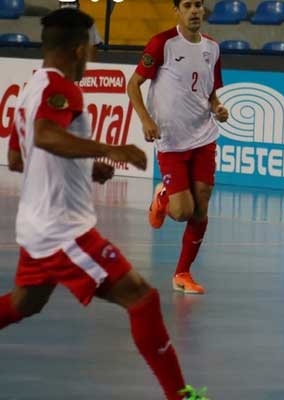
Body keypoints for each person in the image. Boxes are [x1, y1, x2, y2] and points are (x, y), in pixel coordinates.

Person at [0, 8, 206, 400]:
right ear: (79, 50)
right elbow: (44, 136)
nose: (91, 57)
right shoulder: (61, 88)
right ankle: (181, 396)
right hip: (62, 229)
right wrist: (111, 149)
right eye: (92, 50)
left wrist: (85, 167)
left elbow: (18, 156)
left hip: (37, 225)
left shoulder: (31, 87)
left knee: (24, 303)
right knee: (142, 298)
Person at [127, 0, 228, 295]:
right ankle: (162, 198)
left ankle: (182, 273)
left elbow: (210, 93)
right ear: (178, 11)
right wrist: (146, 119)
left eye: (198, 4)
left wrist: (218, 108)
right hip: (171, 139)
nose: (195, 10)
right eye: (188, 5)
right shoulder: (162, 44)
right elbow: (133, 86)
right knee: (183, 211)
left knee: (202, 206)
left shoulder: (213, 48)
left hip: (204, 135)